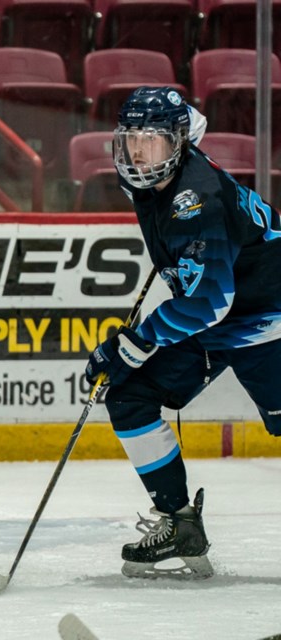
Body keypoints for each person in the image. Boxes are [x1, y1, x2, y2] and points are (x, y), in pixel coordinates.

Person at [85, 86, 281, 579]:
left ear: (176, 144)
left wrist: (134, 343)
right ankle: (179, 523)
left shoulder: (198, 201)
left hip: (268, 316)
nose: (137, 154)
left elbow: (208, 302)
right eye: (131, 141)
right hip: (221, 318)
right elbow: (193, 118)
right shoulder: (152, 174)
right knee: (128, 394)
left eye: (151, 142)